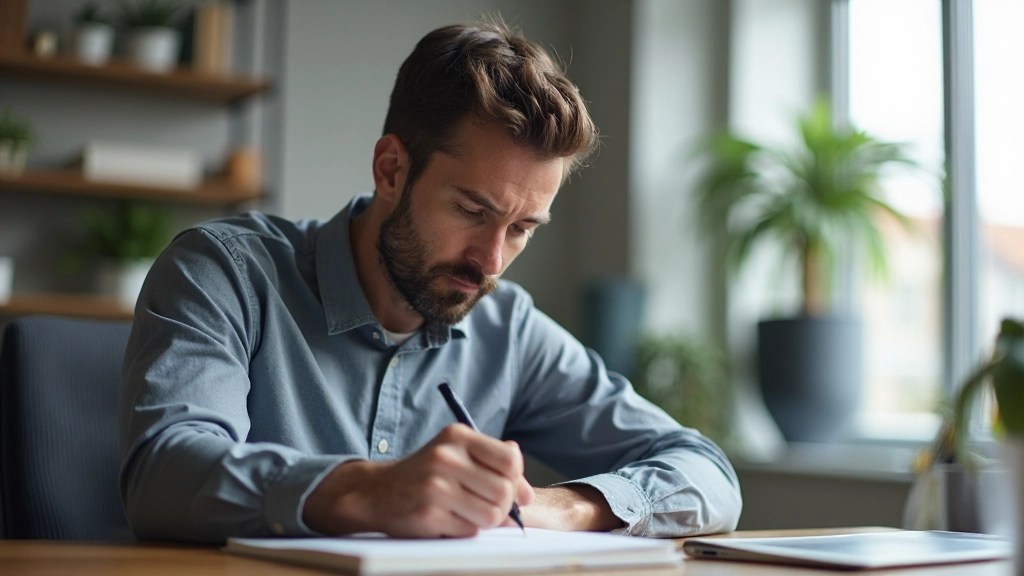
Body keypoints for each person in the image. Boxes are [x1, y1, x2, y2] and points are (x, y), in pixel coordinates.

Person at [118, 20, 742, 544]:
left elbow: (707, 474)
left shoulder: (508, 328)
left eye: (524, 227)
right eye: (473, 211)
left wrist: (566, 508)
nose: (492, 261)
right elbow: (163, 473)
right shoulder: (226, 271)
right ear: (391, 168)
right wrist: (367, 488)